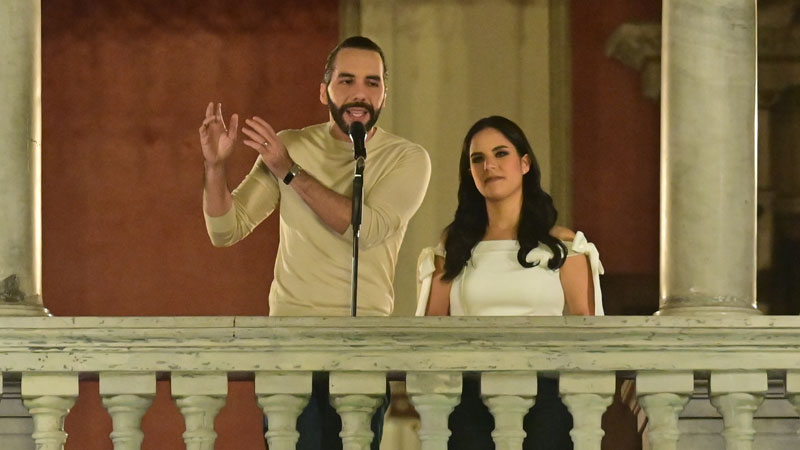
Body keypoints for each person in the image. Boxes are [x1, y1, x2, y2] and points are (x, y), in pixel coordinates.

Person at [199, 36, 431, 450]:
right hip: (290, 341)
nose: (360, 93)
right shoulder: (290, 145)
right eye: (346, 81)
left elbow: (368, 228)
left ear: (384, 94)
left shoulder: (407, 157)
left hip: (364, 348)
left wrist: (290, 172)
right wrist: (215, 169)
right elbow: (225, 230)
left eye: (372, 83)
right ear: (323, 90)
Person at [416, 115, 604, 450]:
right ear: (470, 172)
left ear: (525, 163)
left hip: (547, 399)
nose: (489, 165)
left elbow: (586, 334)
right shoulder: (454, 247)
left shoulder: (565, 247)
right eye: (478, 159)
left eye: (501, 153)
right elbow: (432, 332)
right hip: (469, 401)